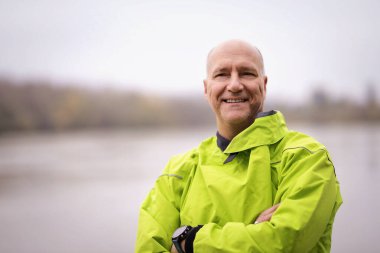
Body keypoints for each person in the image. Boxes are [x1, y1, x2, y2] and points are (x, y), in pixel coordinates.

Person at [135, 40, 342, 253]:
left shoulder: (306, 158)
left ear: (264, 84)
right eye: (222, 74)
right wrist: (254, 236)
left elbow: (283, 243)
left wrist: (191, 241)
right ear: (207, 89)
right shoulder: (177, 172)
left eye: (246, 73)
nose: (234, 85)